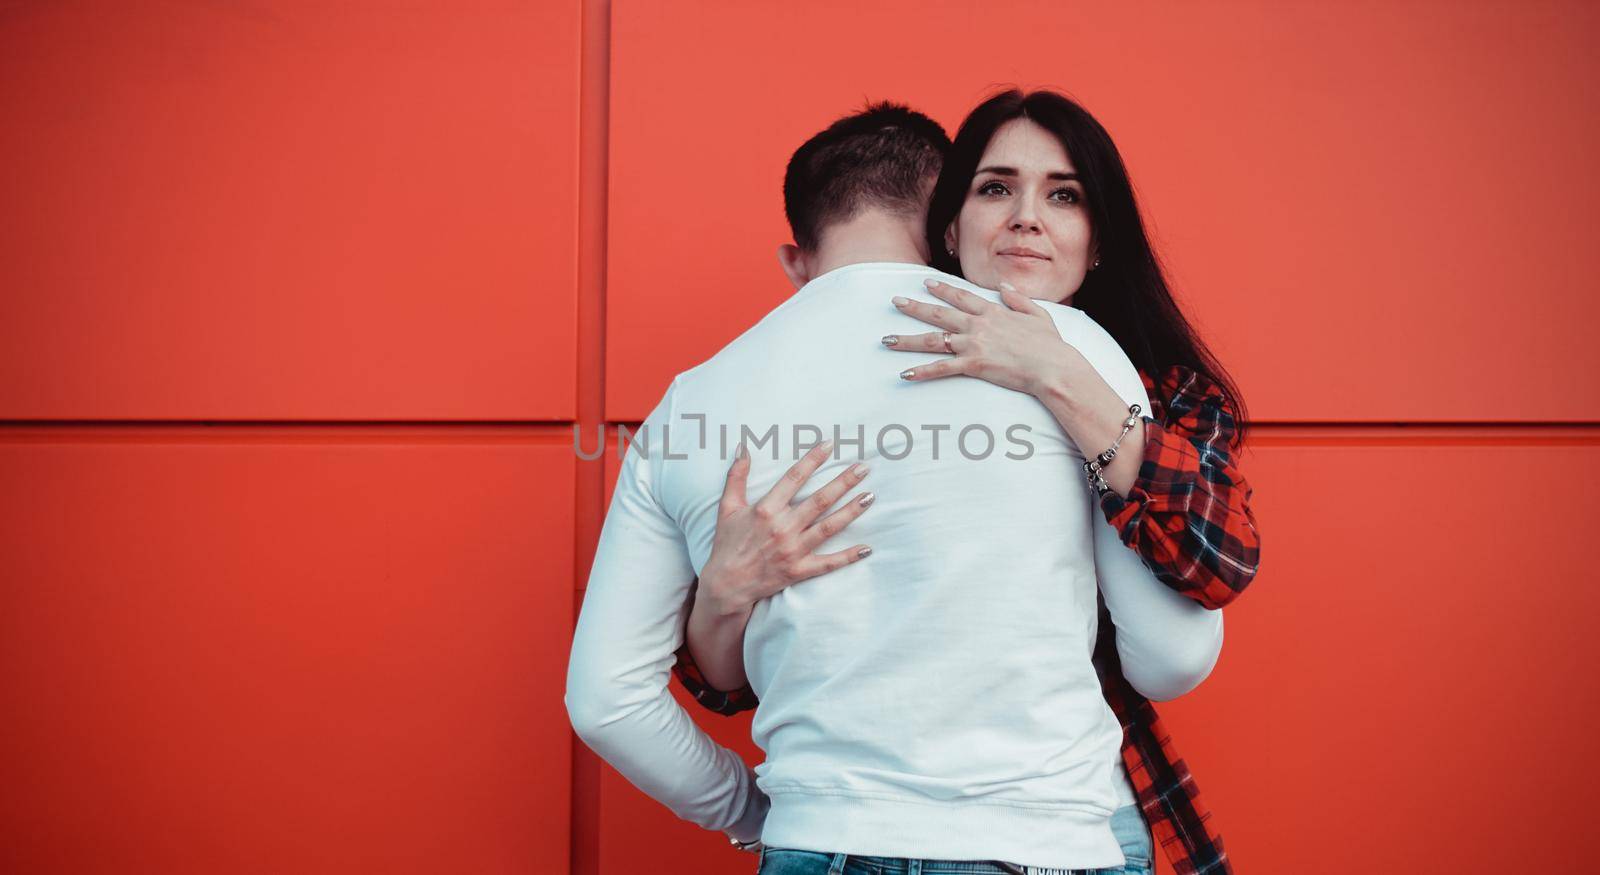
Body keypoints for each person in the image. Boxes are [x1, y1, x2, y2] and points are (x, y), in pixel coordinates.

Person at [565, 100, 1229, 874]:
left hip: (821, 839)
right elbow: (1172, 654)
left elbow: (606, 701)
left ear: (797, 256)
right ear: (949, 227)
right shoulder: (1064, 348)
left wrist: (762, 811)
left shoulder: (690, 405)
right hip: (1044, 838)